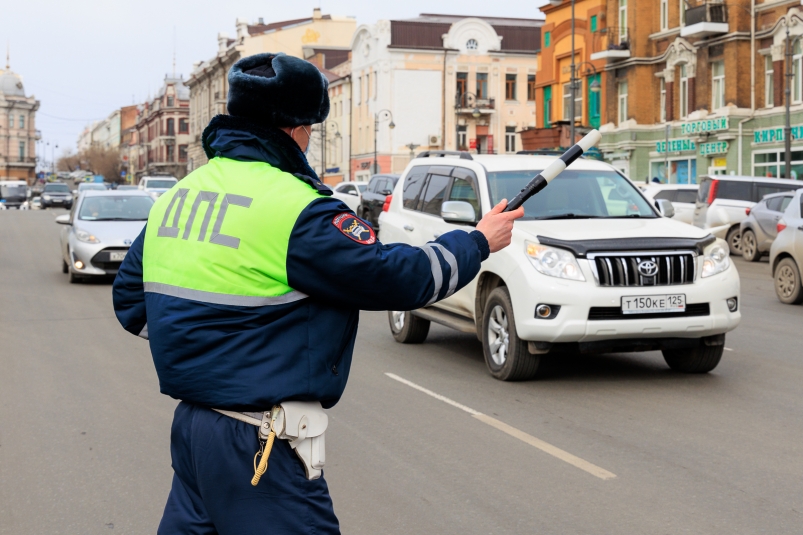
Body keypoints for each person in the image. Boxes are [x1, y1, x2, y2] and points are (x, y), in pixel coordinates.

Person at [112, 52, 524, 534]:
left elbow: (130, 303)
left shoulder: (178, 198)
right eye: (311, 128)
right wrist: (478, 241)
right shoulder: (296, 210)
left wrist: (205, 344)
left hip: (193, 431)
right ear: (294, 128)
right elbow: (395, 277)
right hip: (259, 445)